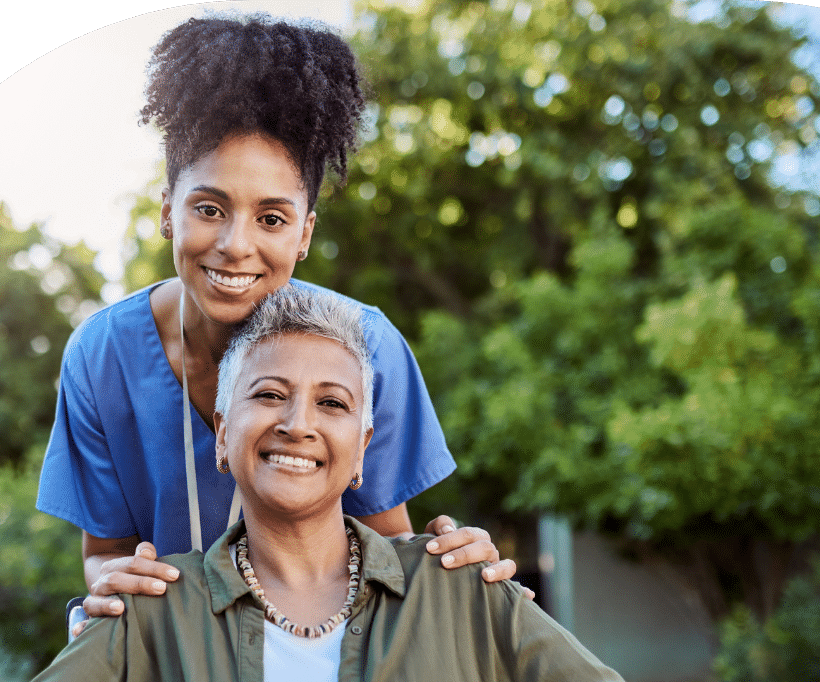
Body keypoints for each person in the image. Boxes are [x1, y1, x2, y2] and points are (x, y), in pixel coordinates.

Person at [0, 285, 700, 682]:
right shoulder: (150, 613)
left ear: (361, 453)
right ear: (223, 437)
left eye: (332, 402)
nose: (298, 422)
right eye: (268, 395)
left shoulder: (462, 591)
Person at [36, 14, 527, 633]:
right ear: (167, 211)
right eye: (209, 209)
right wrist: (112, 584)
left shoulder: (363, 347)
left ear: (305, 234)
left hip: (322, 647)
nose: (236, 246)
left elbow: (388, 553)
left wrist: (455, 570)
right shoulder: (102, 355)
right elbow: (105, 555)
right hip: (175, 655)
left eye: (271, 219)